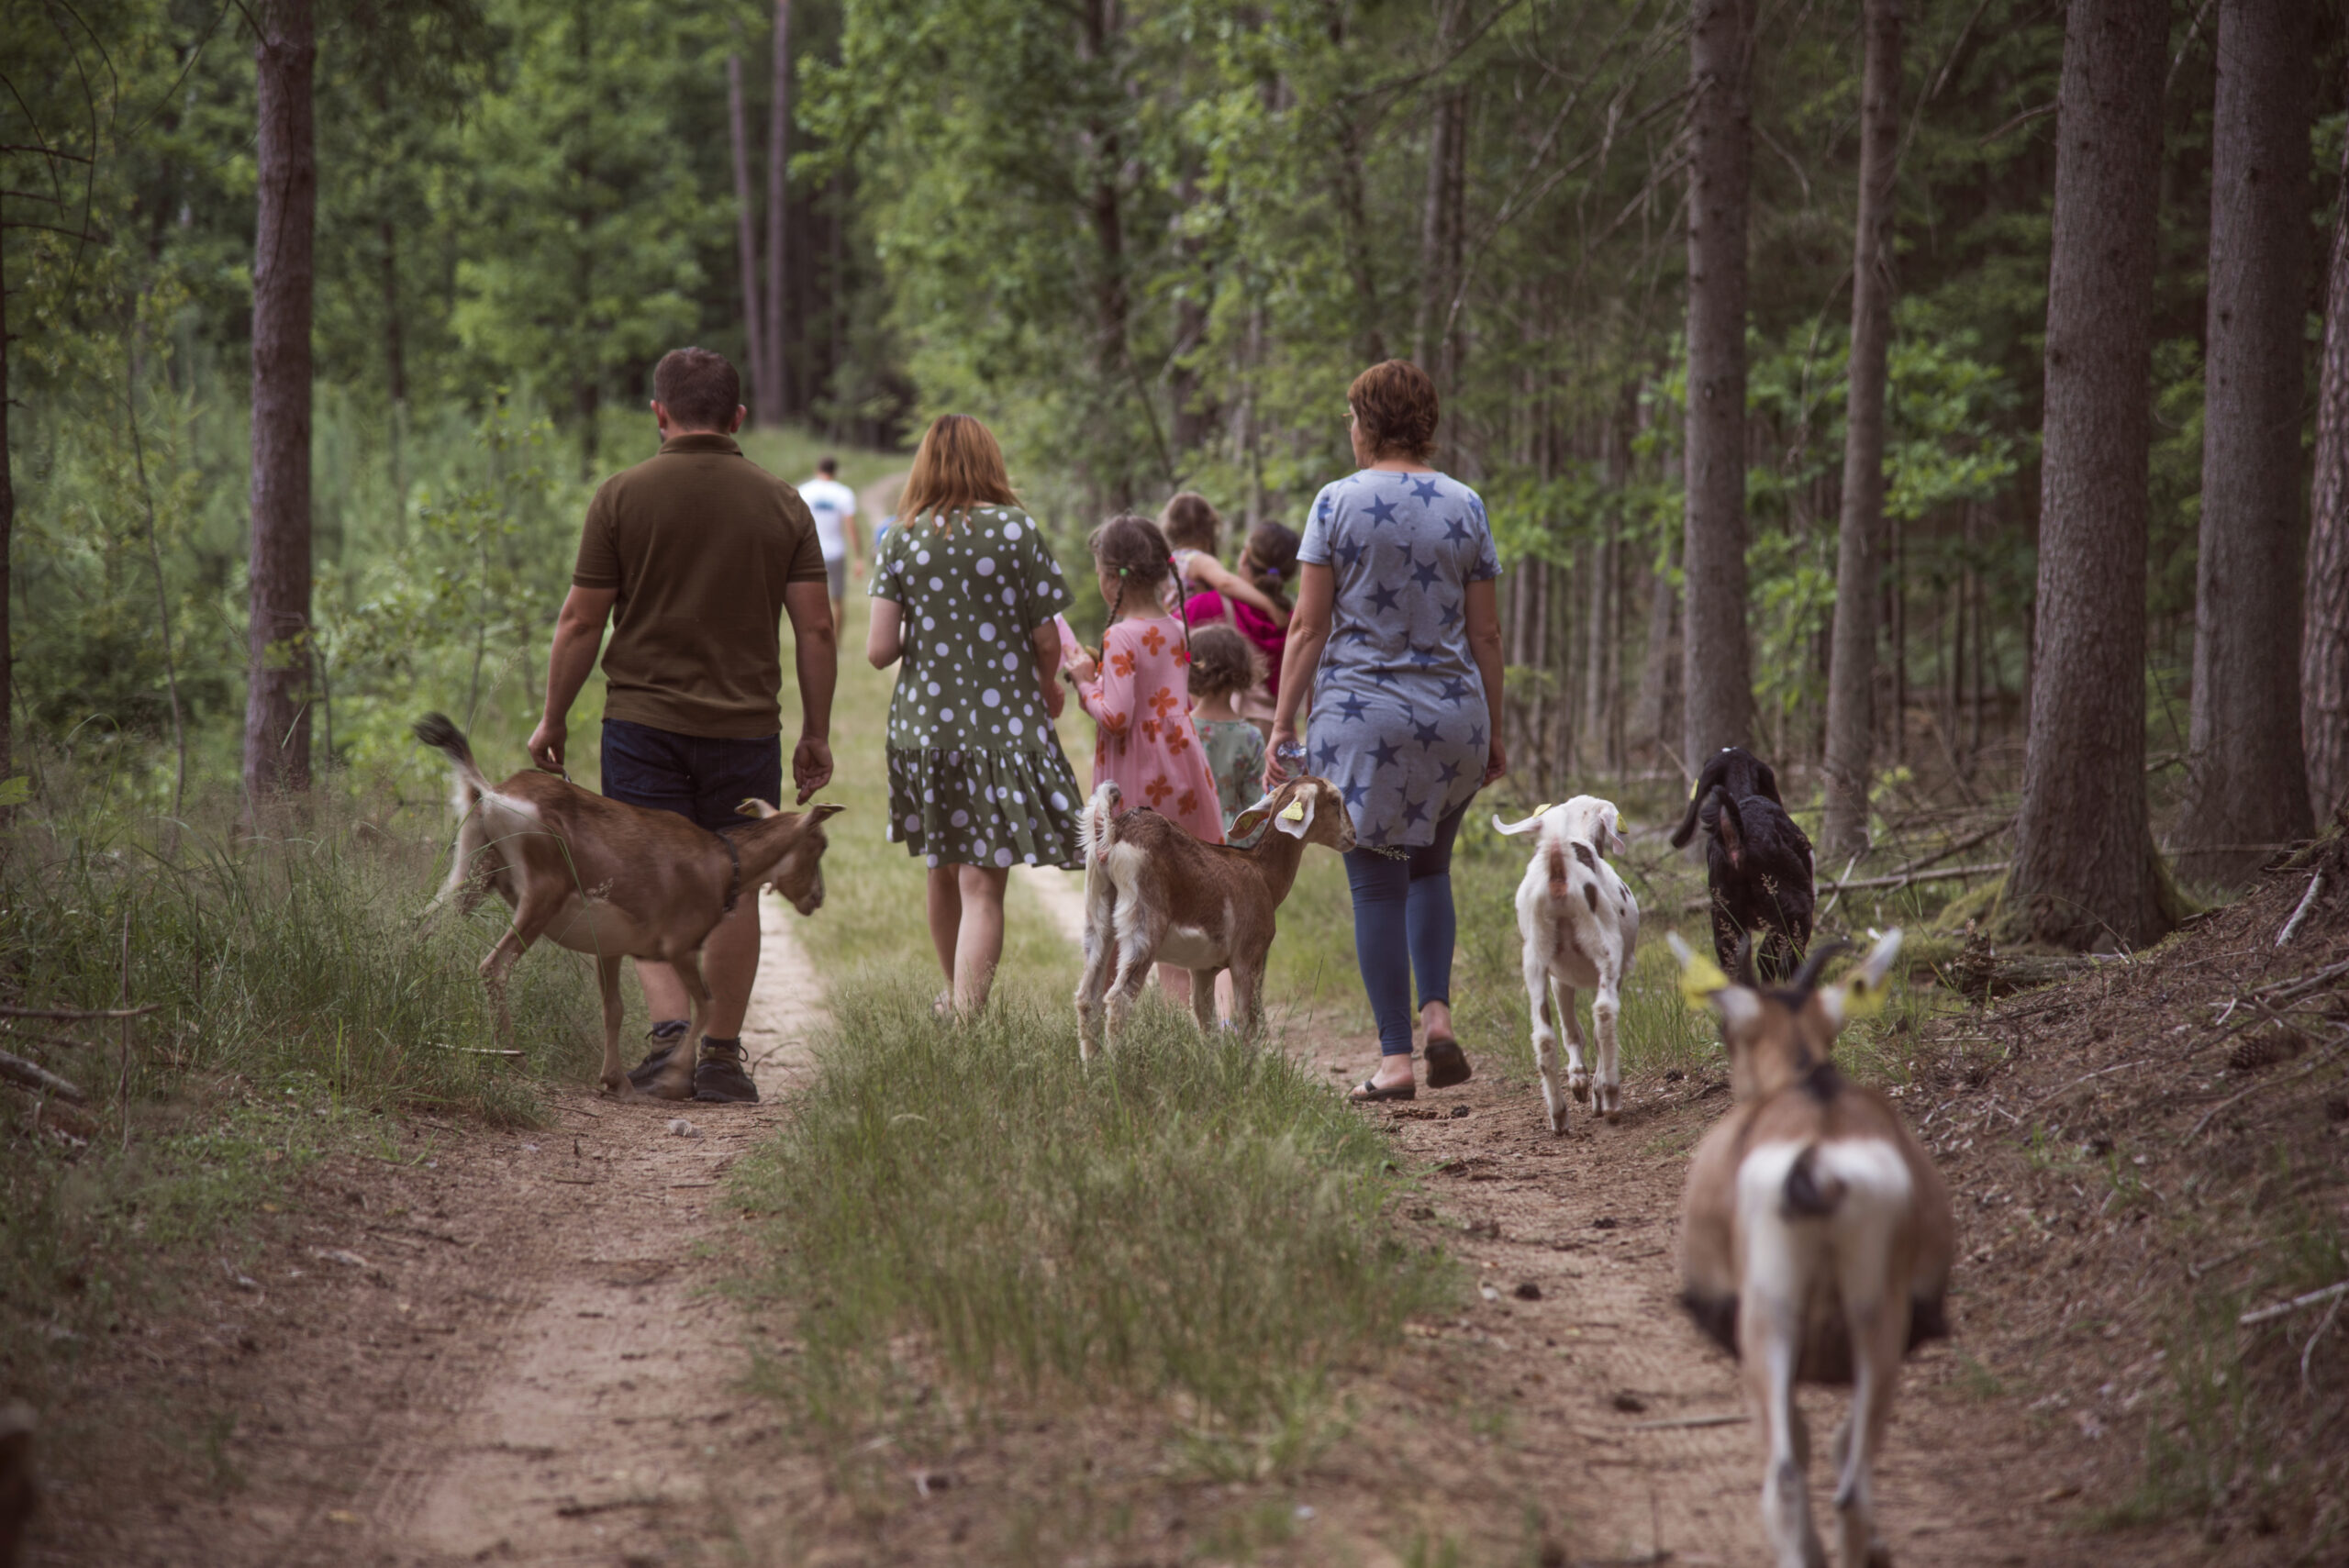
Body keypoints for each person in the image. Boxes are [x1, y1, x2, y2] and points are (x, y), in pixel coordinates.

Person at [529, 346, 836, 1105]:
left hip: (642, 723)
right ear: (737, 417)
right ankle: (721, 1057)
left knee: (646, 883)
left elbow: (579, 621)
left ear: (660, 414)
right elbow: (817, 629)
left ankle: (671, 1042)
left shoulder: (620, 496)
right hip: (745, 729)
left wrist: (552, 718)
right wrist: (816, 731)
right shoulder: (783, 503)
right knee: (731, 888)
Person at [1265, 359, 1506, 1104]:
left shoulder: (1337, 502)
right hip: (1453, 716)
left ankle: (1395, 1060)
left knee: (1376, 882)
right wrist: (1494, 728)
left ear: (1367, 424)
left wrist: (1280, 722)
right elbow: (1487, 633)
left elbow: (1307, 625)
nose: (1349, 430)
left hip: (1365, 721)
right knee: (1431, 867)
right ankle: (1437, 1016)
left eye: (1350, 417)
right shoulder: (1465, 503)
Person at [867, 415, 1086, 1016]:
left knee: (942, 867)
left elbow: (879, 649)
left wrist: (931, 621)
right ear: (990, 461)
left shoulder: (901, 535)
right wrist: (1047, 686)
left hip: (923, 730)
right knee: (983, 883)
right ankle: (967, 1016)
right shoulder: (1016, 530)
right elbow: (1048, 639)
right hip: (1004, 730)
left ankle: (954, 997)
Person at [1066, 515, 1226, 1004]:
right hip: (1182, 769)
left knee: (1123, 896)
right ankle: (1184, 1018)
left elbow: (1116, 715)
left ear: (1113, 577)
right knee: (1176, 901)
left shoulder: (1120, 637)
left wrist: (1083, 680)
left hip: (1137, 776)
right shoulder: (1174, 628)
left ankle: (1111, 1011)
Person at [1181, 518, 1300, 739]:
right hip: (1272, 737)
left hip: (1208, 736)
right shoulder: (1295, 624)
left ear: (1244, 556)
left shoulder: (1205, 606)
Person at [1186, 624, 1268, 831]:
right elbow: (1255, 804)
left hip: (1183, 840)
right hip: (1232, 844)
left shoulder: (1179, 730)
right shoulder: (1250, 736)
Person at [799, 456, 864, 630]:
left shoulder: (804, 491)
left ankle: (811, 636)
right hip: (836, 552)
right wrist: (858, 557)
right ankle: (836, 643)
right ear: (835, 472)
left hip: (810, 553)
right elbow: (851, 527)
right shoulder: (843, 493)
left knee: (810, 601)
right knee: (837, 600)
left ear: (816, 470)